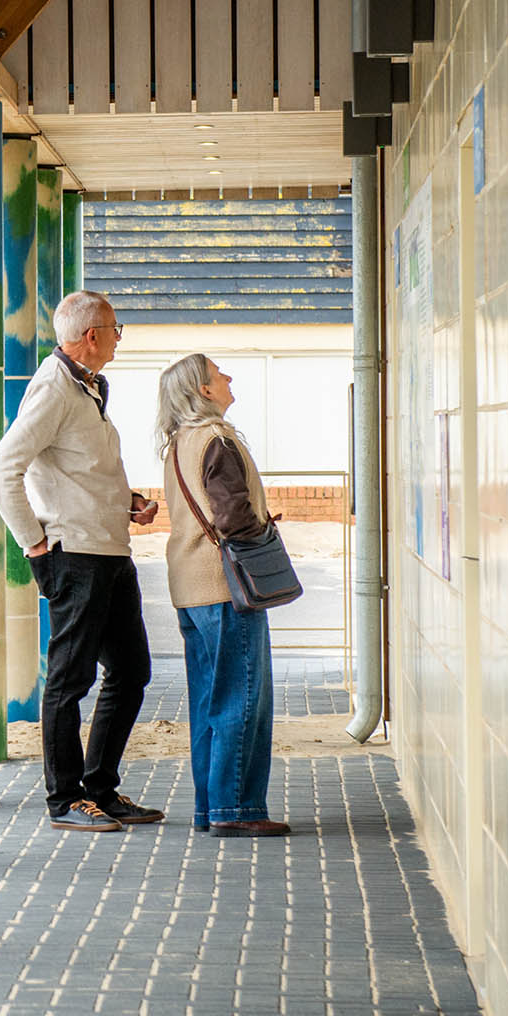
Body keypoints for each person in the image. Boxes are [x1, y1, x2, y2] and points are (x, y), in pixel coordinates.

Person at [0, 290, 161, 833]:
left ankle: (100, 789)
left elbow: (81, 470)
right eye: (114, 327)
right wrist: (36, 546)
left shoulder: (89, 387)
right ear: (91, 335)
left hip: (110, 551)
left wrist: (126, 501)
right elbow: (1, 470)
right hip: (76, 557)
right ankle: (64, 800)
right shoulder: (55, 389)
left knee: (131, 672)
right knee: (69, 680)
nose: (117, 336)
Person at [156, 354, 290, 838]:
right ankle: (236, 809)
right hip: (225, 587)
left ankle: (210, 808)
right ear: (204, 391)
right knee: (243, 697)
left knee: (209, 702)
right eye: (220, 373)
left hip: (189, 588)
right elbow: (230, 514)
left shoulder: (178, 443)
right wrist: (260, 534)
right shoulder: (217, 439)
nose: (229, 377)